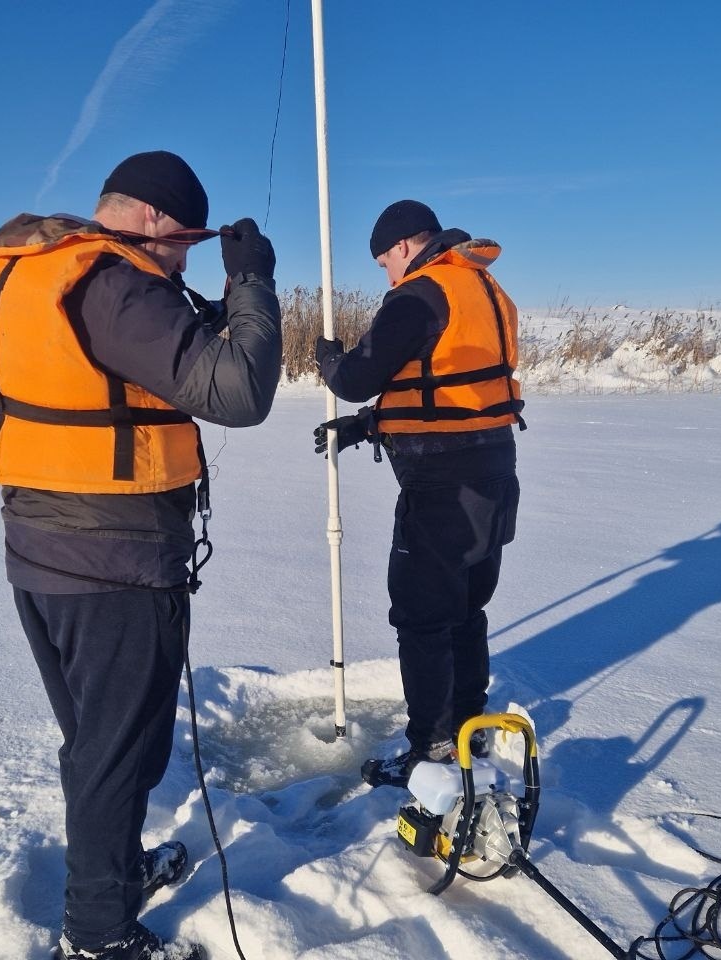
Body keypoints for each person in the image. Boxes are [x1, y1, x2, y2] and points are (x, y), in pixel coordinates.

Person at [0, 150, 282, 960]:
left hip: (43, 547)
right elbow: (239, 394)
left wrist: (203, 306)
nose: (182, 259)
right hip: (112, 558)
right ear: (150, 219)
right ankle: (99, 934)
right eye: (183, 243)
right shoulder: (113, 282)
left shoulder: (42, 271)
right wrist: (252, 286)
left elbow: (144, 371)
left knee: (109, 742)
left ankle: (114, 871)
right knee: (114, 750)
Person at [313, 199, 524, 788]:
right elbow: (450, 391)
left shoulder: (420, 292)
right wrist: (368, 426)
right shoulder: (482, 288)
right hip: (493, 475)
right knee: (464, 609)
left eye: (384, 261)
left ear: (404, 246)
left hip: (441, 488)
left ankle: (431, 751)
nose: (386, 273)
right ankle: (468, 725)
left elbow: (358, 376)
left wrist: (330, 360)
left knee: (423, 617)